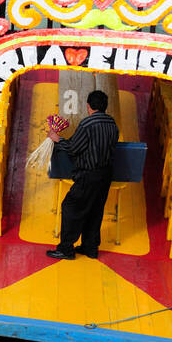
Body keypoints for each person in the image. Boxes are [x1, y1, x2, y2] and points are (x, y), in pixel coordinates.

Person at [46, 90, 119, 261]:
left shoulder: (87, 124)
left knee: (71, 207)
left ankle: (66, 249)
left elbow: (73, 148)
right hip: (106, 175)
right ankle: (90, 248)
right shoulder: (112, 123)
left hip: (88, 175)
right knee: (95, 210)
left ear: (88, 106)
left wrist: (58, 139)